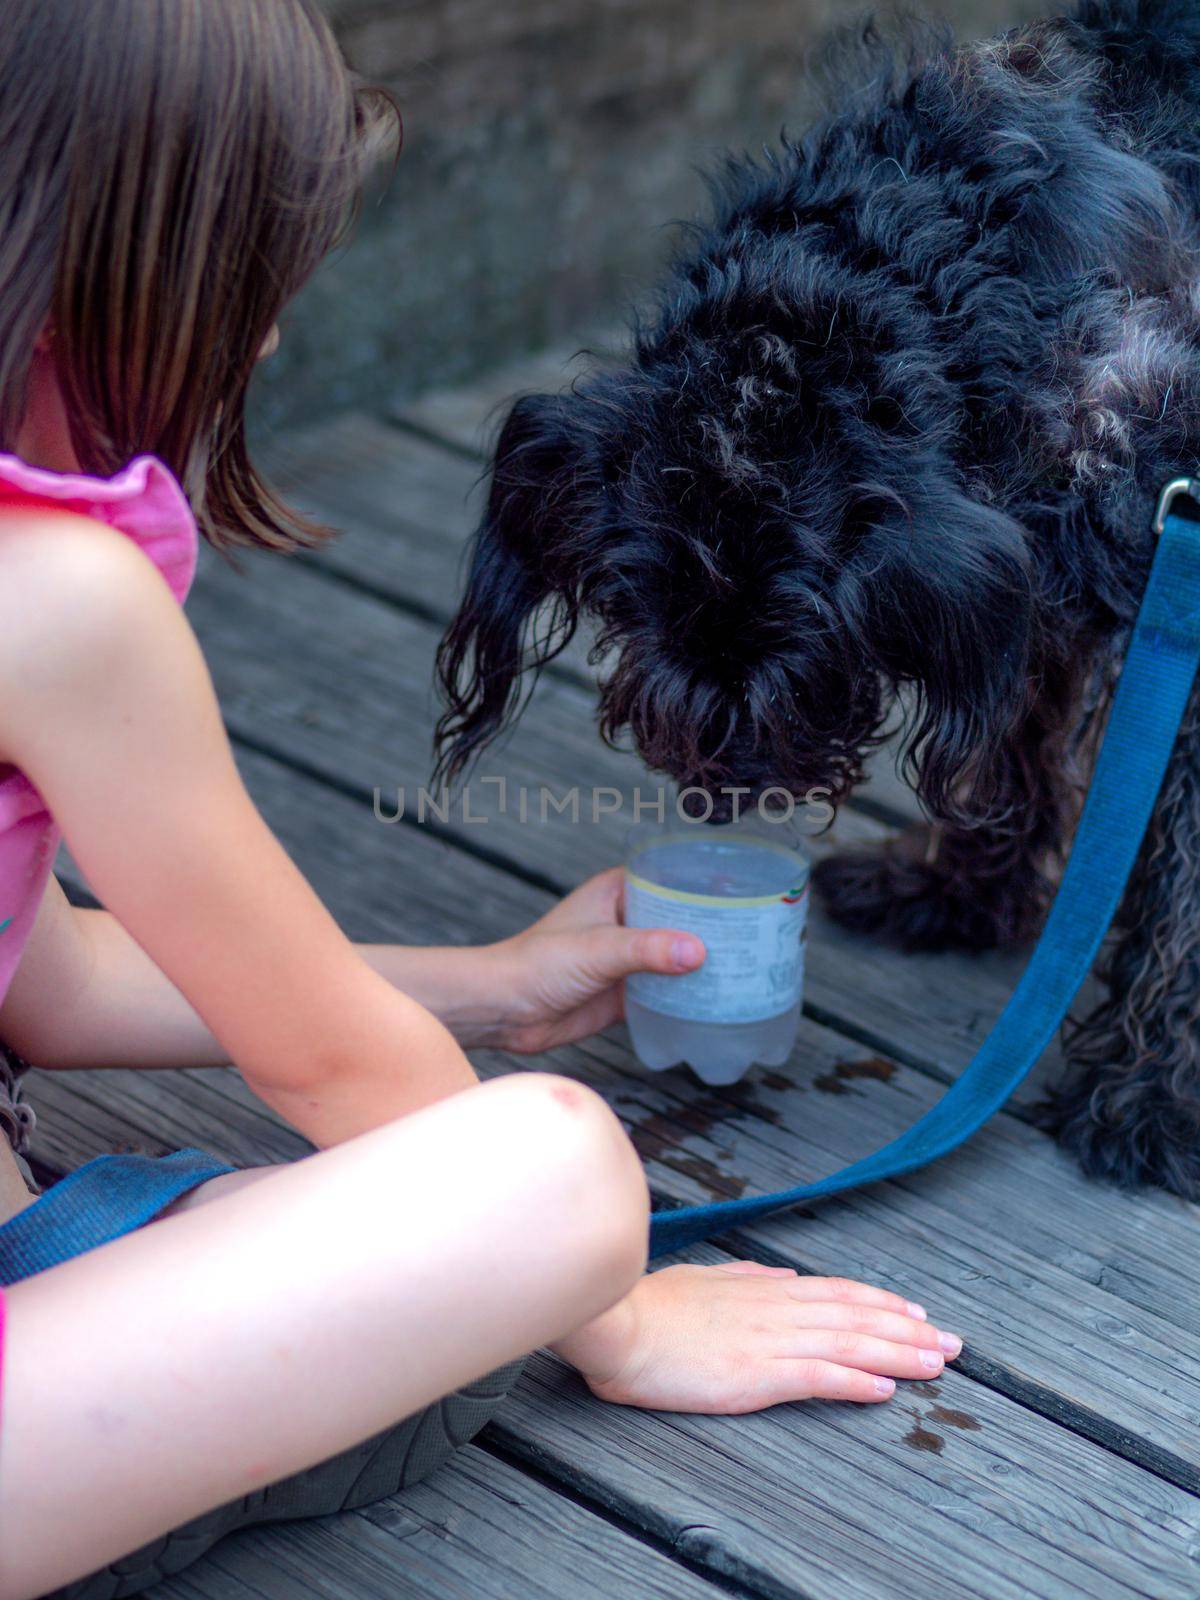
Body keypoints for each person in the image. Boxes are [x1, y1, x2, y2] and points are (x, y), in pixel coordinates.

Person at [0, 4, 962, 1595]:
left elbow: (40, 975)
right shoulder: (61, 603)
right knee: (559, 1174)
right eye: (250, 291)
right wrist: (620, 1309)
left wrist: (494, 984)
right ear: (102, 277)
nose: (264, 347)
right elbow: (320, 1059)